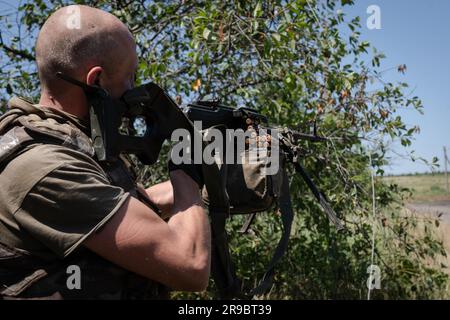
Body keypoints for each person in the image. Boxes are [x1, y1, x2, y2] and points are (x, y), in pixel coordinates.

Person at [0, 5, 211, 300]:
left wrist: (213, 177)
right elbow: (191, 265)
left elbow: (125, 207)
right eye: (131, 77)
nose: (134, 89)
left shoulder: (68, 141)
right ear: (96, 79)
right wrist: (188, 168)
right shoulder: (46, 166)